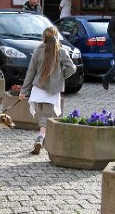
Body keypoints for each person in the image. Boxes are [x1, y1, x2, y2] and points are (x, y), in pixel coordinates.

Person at [19, 26, 76, 155]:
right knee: (48, 116)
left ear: (43, 37)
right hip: (53, 90)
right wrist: (61, 76)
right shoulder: (61, 51)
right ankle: (41, 137)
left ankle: (42, 138)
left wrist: (23, 91)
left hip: (38, 89)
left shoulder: (38, 51)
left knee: (42, 116)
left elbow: (31, 72)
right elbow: (71, 68)